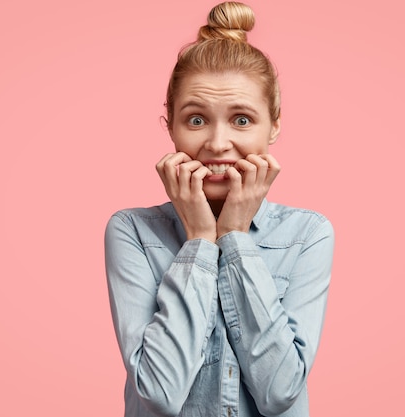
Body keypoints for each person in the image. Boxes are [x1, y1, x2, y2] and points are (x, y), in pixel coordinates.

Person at [104, 2, 334, 416]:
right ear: (170, 125)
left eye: (242, 120)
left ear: (275, 125)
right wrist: (199, 241)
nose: (217, 142)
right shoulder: (132, 231)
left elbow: (280, 392)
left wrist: (234, 238)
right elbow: (157, 393)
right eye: (195, 120)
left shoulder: (308, 234)